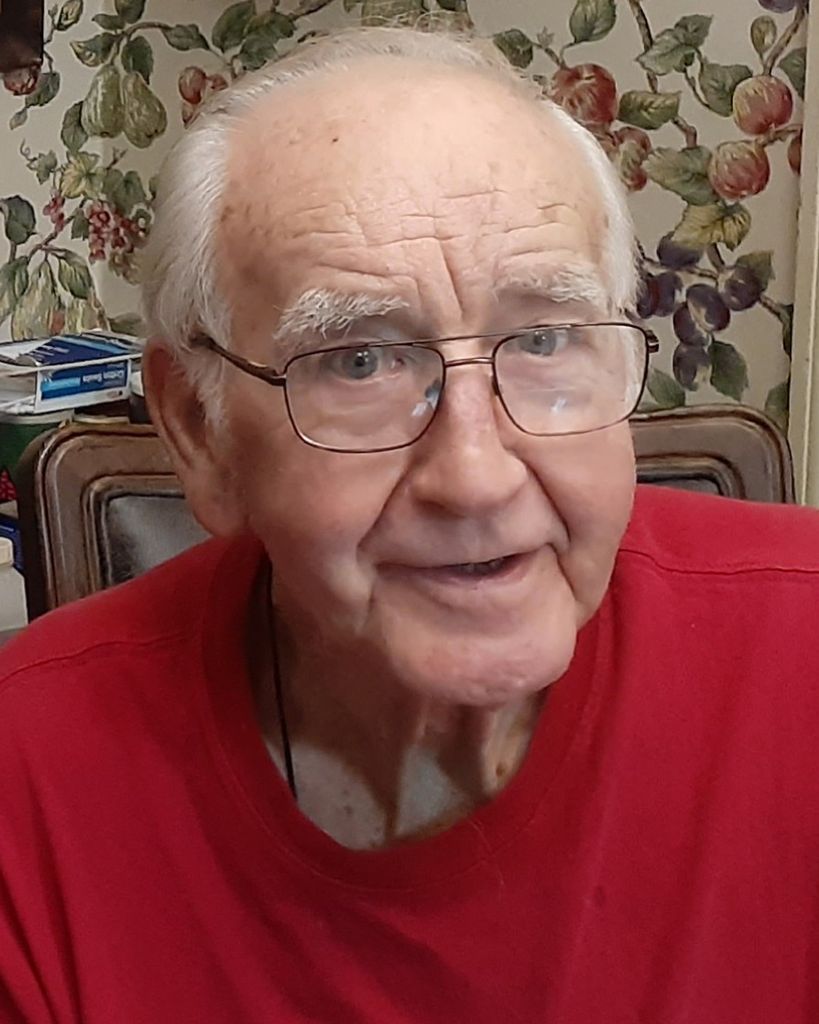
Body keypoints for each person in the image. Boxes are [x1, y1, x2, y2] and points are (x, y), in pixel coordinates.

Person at [1, 24, 818, 1024]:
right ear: (199, 430)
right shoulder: (27, 778)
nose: (474, 477)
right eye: (359, 361)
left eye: (544, 338)